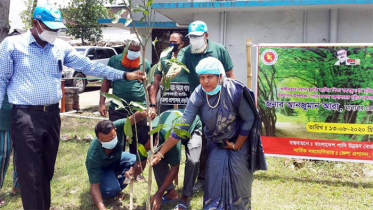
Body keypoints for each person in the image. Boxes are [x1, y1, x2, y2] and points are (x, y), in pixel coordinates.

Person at [0, 4, 144, 210]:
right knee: (30, 173)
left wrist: (124, 74)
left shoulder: (60, 47)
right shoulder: (12, 45)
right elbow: (1, 80)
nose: (54, 33)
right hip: (25, 116)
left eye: (57, 29)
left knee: (45, 171)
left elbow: (89, 66)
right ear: (35, 24)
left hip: (51, 116)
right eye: (50, 28)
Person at [152, 57, 265, 209]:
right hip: (217, 142)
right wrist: (161, 153)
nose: (205, 81)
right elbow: (183, 126)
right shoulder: (198, 94)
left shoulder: (234, 91)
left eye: (210, 77)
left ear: (220, 77)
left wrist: (236, 144)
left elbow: (249, 118)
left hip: (239, 143)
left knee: (240, 182)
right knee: (214, 182)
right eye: (202, 77)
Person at [86, 111, 148, 210]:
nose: (110, 142)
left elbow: (134, 118)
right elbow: (94, 186)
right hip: (103, 168)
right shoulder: (93, 157)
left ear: (115, 130)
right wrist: (102, 207)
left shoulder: (118, 126)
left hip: (117, 159)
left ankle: (117, 181)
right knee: (111, 190)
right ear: (98, 139)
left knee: (134, 160)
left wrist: (144, 113)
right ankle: (109, 185)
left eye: (112, 138)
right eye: (106, 141)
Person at [99, 34, 151, 152]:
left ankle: (135, 167)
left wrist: (152, 104)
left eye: (136, 50)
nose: (134, 52)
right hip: (118, 110)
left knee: (138, 142)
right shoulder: (114, 61)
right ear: (125, 48)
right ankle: (118, 167)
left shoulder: (145, 63)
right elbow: (106, 82)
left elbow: (150, 86)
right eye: (131, 50)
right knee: (117, 141)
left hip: (139, 110)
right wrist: (102, 103)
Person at [150, 109, 202, 210]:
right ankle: (171, 194)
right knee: (155, 158)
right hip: (175, 127)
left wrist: (159, 193)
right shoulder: (148, 130)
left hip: (192, 126)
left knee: (193, 160)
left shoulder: (170, 135)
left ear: (155, 139)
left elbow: (175, 168)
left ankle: (185, 197)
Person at [149, 32, 188, 113]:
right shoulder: (164, 58)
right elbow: (156, 79)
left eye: (174, 42)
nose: (171, 44)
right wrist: (153, 101)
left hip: (184, 99)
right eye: (170, 42)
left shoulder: (188, 57)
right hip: (167, 98)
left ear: (181, 44)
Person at [0, 94, 20, 207]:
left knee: (22, 155)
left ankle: (18, 187)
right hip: (2, 120)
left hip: (21, 117)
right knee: (3, 156)